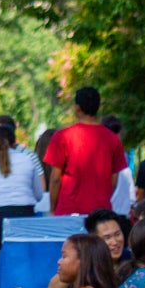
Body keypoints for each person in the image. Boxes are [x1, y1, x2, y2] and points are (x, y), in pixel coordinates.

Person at [44, 88, 128, 218]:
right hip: (100, 212)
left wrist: (52, 208)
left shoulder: (62, 137)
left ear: (77, 108)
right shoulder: (112, 139)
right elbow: (114, 179)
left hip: (69, 210)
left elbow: (55, 178)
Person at [0, 117, 42, 268]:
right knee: (24, 262)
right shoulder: (28, 160)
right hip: (24, 216)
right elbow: (38, 195)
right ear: (14, 142)